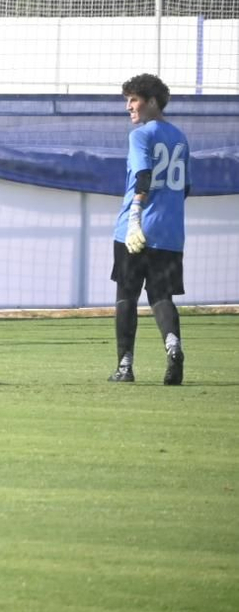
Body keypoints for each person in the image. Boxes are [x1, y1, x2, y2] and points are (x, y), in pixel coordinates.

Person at [109, 73, 190, 386]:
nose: (129, 106)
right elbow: (186, 187)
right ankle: (173, 347)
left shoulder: (140, 136)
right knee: (161, 296)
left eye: (134, 100)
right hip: (170, 233)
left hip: (135, 229)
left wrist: (135, 217)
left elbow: (143, 177)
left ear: (152, 102)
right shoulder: (181, 137)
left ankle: (125, 366)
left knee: (126, 296)